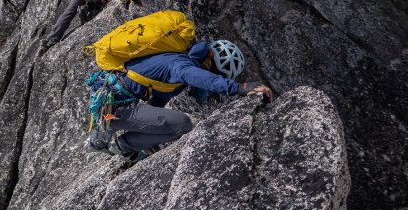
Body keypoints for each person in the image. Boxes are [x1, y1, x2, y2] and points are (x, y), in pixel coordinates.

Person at [86, 38, 273, 163]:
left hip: (113, 99)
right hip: (114, 107)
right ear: (209, 61)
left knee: (174, 124)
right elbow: (204, 79)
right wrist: (240, 88)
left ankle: (113, 135)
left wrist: (149, 138)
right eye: (214, 71)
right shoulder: (182, 65)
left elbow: (157, 103)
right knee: (183, 124)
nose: (211, 74)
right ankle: (115, 141)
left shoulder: (178, 62)